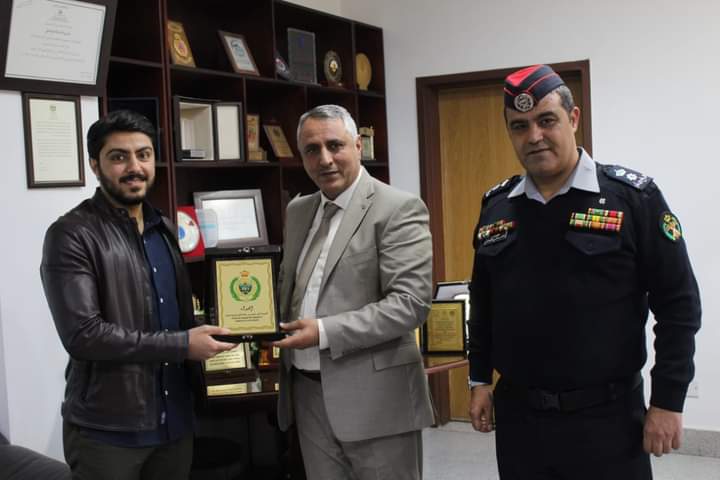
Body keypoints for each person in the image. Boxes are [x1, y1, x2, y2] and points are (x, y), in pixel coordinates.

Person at [467, 64, 701, 479]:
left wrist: (668, 400)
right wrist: (479, 379)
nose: (534, 136)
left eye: (546, 120)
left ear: (573, 119)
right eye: (519, 125)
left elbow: (679, 306)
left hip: (608, 420)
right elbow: (483, 302)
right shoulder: (497, 207)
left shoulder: (633, 199)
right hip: (521, 420)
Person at [40, 110, 236, 480]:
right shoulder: (71, 235)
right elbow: (84, 336)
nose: (134, 167)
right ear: (95, 165)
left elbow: (176, 317)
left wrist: (239, 330)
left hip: (174, 424)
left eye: (143, 155)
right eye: (119, 157)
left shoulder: (164, 228)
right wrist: (183, 345)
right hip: (109, 432)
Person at [274, 104, 434, 480]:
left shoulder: (398, 208)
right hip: (307, 394)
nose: (325, 159)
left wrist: (324, 332)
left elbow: (409, 304)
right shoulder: (298, 211)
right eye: (312, 150)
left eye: (335, 145)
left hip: (376, 399)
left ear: (358, 145)